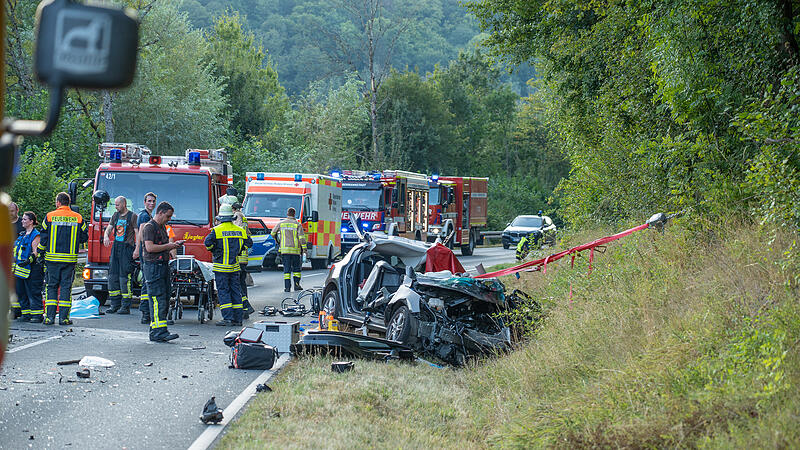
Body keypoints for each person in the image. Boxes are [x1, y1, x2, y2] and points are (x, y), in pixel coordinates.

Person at [37, 192, 88, 325]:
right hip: (69, 260)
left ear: (58, 202)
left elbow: (44, 238)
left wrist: (40, 253)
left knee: (51, 287)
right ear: (68, 202)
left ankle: (49, 318)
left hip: (52, 260)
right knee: (66, 288)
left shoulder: (49, 216)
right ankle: (64, 319)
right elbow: (84, 236)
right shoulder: (78, 218)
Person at [141, 201, 184, 342]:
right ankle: (159, 332)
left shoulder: (162, 227)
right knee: (157, 299)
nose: (169, 219)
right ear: (160, 213)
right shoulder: (149, 227)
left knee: (164, 298)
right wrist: (169, 246)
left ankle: (158, 331)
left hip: (162, 266)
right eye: (168, 216)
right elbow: (150, 247)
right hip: (153, 267)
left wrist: (173, 247)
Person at [205, 204, 252, 327]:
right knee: (236, 292)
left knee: (224, 292)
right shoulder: (240, 230)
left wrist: (215, 250)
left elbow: (207, 243)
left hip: (221, 268)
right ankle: (238, 319)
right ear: (232, 217)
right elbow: (249, 243)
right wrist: (241, 248)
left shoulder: (216, 230)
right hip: (235, 267)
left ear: (220, 217)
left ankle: (227, 318)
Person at [103, 196, 137, 314]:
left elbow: (138, 232)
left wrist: (137, 249)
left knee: (124, 278)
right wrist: (106, 236)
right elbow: (109, 228)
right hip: (116, 248)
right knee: (112, 277)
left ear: (124, 204)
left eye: (117, 205)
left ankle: (125, 306)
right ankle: (114, 304)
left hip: (127, 249)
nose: (116, 207)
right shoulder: (115, 216)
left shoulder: (132, 216)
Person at [12, 212, 44, 323]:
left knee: (33, 291)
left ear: (31, 221)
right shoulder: (22, 235)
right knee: (21, 292)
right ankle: (25, 314)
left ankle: (37, 315)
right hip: (20, 269)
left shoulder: (36, 235)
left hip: (32, 269)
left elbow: (36, 252)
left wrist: (29, 260)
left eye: (25, 219)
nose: (22, 221)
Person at [134, 192, 157, 324]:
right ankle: (146, 312)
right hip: (145, 252)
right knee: (147, 282)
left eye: (153, 201)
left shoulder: (148, 215)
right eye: (149, 201)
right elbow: (142, 234)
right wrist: (139, 249)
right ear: (144, 202)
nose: (151, 203)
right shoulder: (144, 216)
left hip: (145, 251)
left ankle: (146, 312)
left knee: (146, 281)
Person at [271, 207, 306, 292]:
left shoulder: (281, 223)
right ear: (294, 214)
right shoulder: (297, 224)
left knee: (286, 269)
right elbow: (301, 238)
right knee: (296, 269)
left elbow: (272, 233)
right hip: (295, 251)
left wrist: (278, 241)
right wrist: (304, 249)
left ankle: (287, 287)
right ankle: (297, 285)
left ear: (287, 213)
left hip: (284, 250)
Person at [232, 202, 255, 319]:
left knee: (236, 285)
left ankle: (245, 307)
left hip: (237, 257)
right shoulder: (244, 217)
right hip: (243, 256)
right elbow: (248, 236)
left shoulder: (237, 217)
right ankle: (245, 310)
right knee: (241, 284)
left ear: (233, 209)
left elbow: (236, 234)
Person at [8, 201, 24, 318]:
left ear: (17, 211)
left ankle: (18, 310)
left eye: (12, 211)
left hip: (19, 260)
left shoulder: (21, 224)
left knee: (18, 286)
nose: (10, 213)